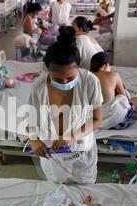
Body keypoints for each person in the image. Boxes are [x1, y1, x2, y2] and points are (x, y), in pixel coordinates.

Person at [26, 26, 103, 184]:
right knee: (57, 191)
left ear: (79, 67)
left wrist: (73, 137)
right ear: (47, 70)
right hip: (52, 153)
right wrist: (34, 139)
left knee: (84, 193)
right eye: (58, 79)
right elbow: (31, 120)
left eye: (70, 78)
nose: (65, 83)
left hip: (81, 149)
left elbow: (97, 119)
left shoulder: (90, 82)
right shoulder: (39, 87)